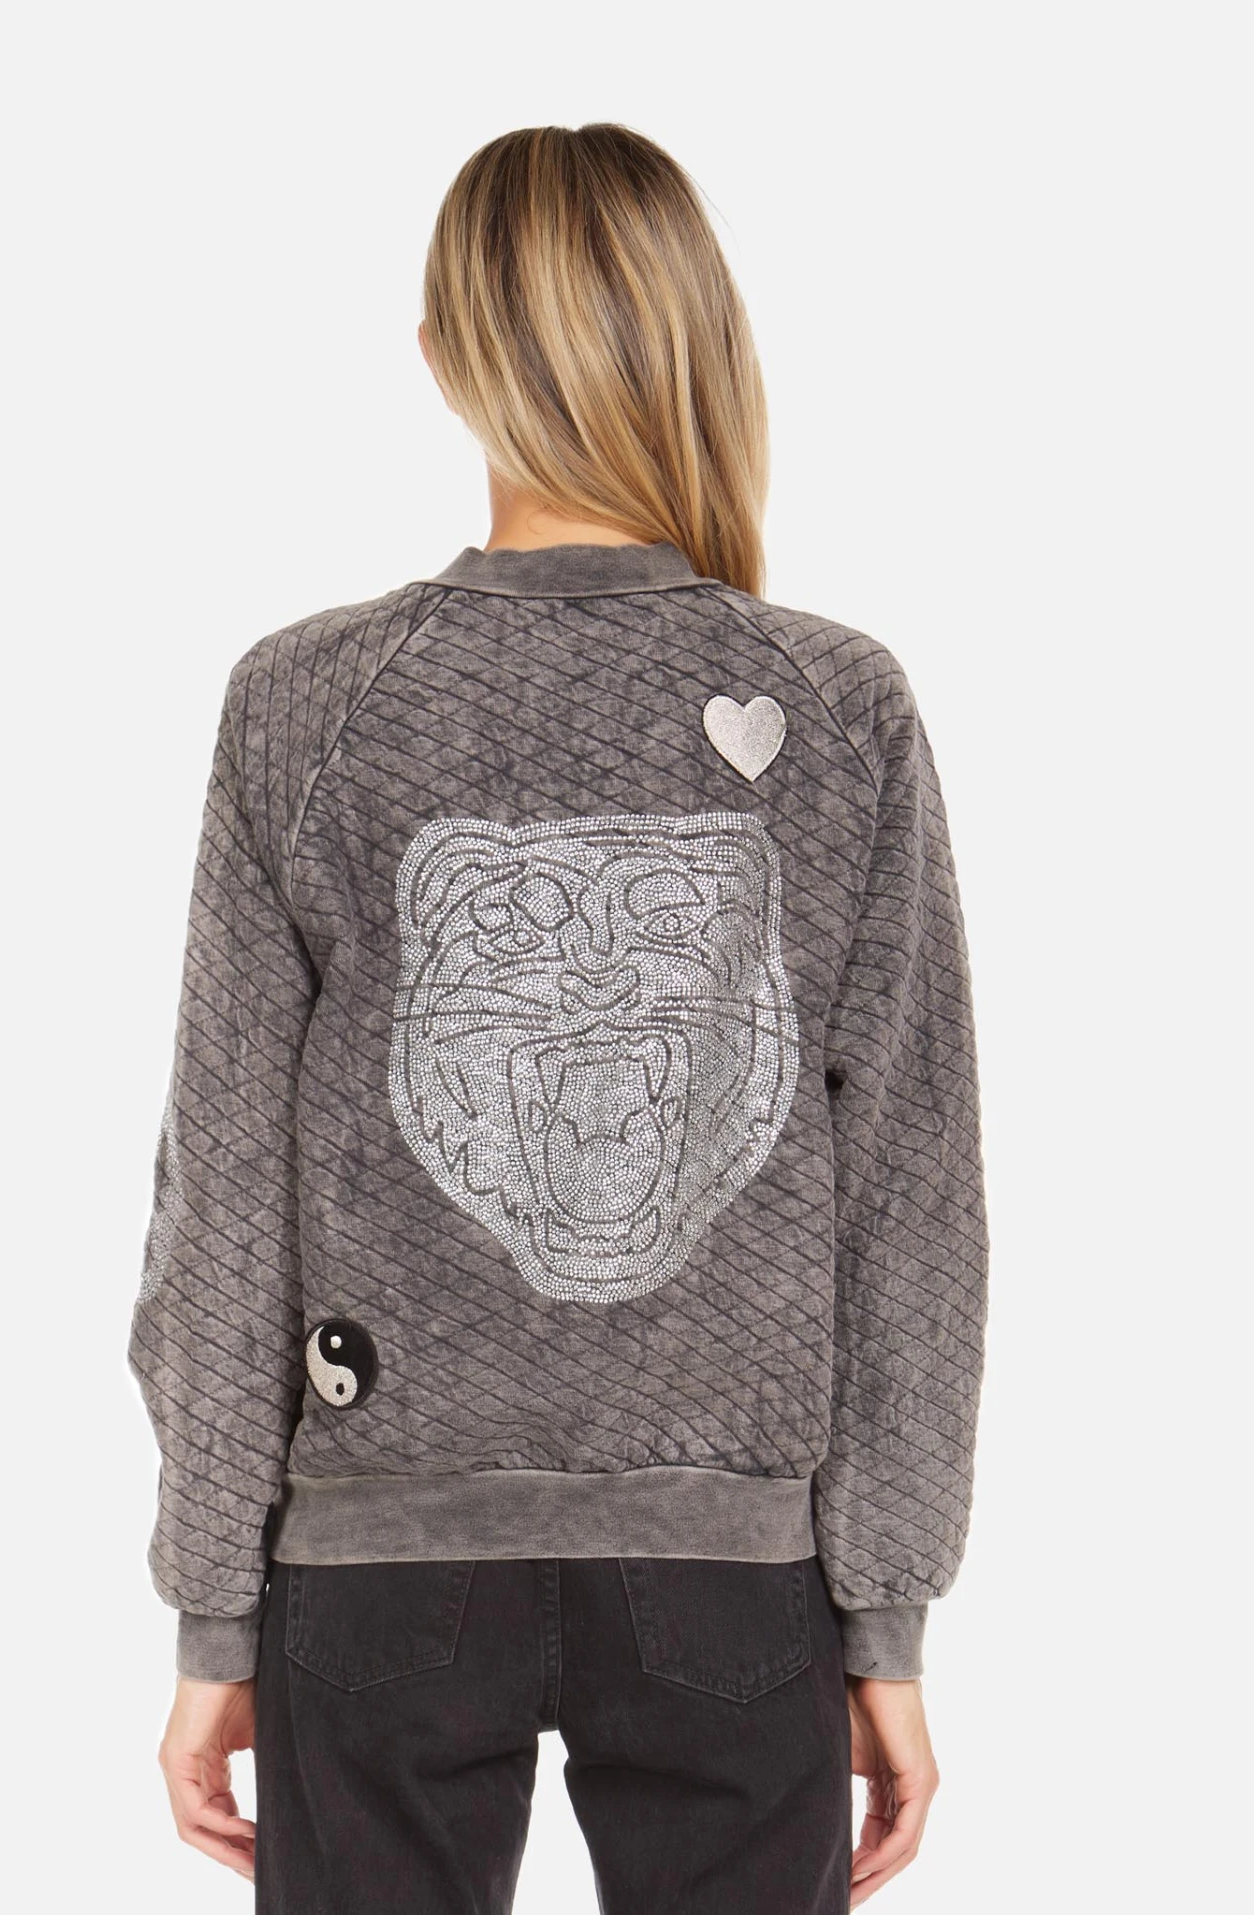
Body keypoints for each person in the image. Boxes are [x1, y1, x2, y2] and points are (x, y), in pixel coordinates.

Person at [128, 122, 988, 1915]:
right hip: (737, 1571)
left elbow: (222, 1206)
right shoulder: (838, 707)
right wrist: (884, 1614)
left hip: (374, 1557)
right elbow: (911, 1204)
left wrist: (213, 1606)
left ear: (443, 354)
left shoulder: (308, 703)